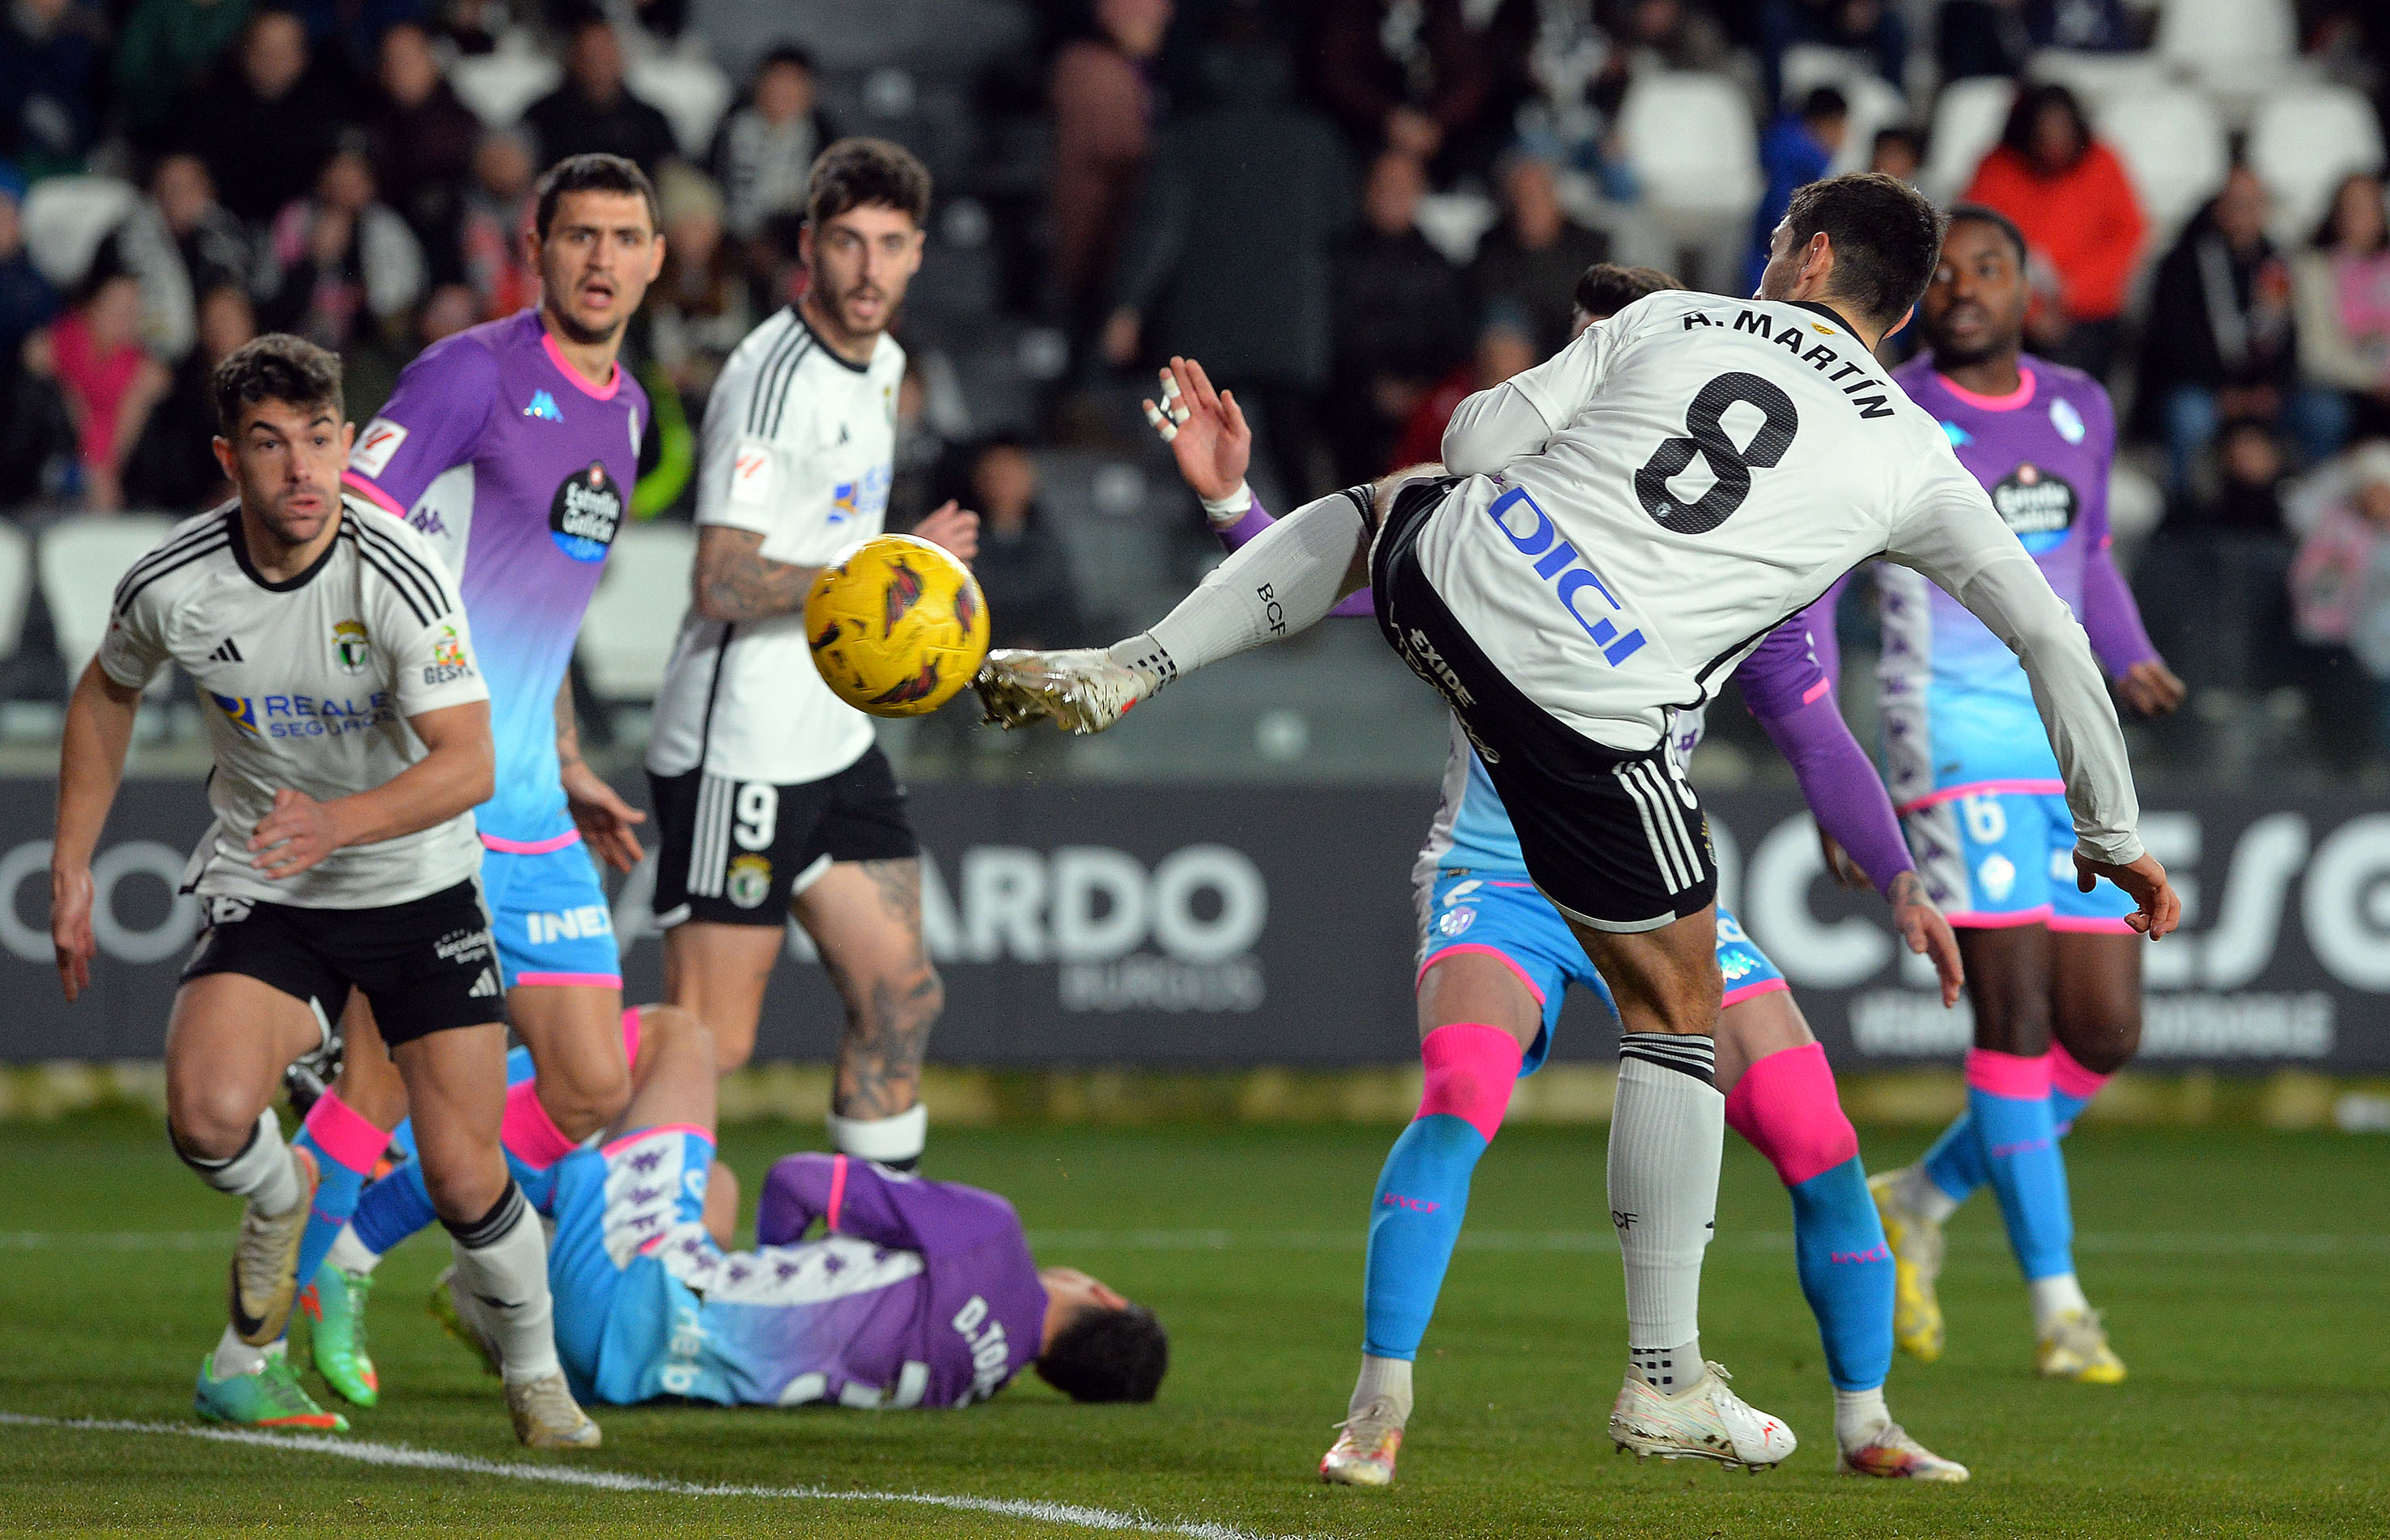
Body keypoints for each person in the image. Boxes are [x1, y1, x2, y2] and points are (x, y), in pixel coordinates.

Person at [978, 172, 2179, 1467]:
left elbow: (1480, 440)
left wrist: (1568, 402)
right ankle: (1657, 1374)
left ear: (1813, 253)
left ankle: (1133, 663)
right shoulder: (1909, 454)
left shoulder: (1670, 321)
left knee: (1390, 502)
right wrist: (2106, 828)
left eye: (1778, 240)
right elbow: (2048, 632)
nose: (1764, 254)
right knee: (1676, 1015)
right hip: (1586, 739)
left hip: (1463, 588)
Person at [1144, 323, 1969, 1483]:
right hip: (1501, 876)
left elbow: (1814, 729)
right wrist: (1237, 507)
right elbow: (1345, 583)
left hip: (1652, 891)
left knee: (1818, 1135)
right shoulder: (1505, 507)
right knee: (1460, 1094)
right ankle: (1376, 1407)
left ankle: (1868, 1421)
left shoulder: (1750, 570)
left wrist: (1896, 878)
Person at [49, 333, 597, 1449]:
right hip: (274, 881)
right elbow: (105, 691)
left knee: (461, 1167)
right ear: (227, 456)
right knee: (205, 1115)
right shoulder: (174, 580)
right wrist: (71, 859)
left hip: (419, 882)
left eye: (319, 438)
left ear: (348, 442)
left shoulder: (397, 567)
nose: (301, 468)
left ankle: (537, 1374)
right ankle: (280, 1193)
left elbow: (471, 761)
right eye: (269, 443)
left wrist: (338, 822)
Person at [318, 153, 663, 1313]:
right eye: (580, 236)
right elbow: (342, 538)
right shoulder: (469, 375)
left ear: (657, 258)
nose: (602, 258)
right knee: (376, 1083)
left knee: (589, 1084)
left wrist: (565, 759)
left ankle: (358, 1247)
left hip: (531, 806)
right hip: (431, 793)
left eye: (624, 237)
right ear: (537, 246)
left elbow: (543, 608)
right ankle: (270, 1320)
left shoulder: (631, 413)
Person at [1844, 206, 2182, 1387]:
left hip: (2065, 736)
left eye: (1992, 269)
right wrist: (1850, 785)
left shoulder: (2078, 403)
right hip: (1955, 738)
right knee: (2019, 1019)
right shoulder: (1888, 410)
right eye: (1950, 274)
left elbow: (2086, 554)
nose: (1968, 288)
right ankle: (2059, 1303)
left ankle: (1921, 1194)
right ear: (1922, 297)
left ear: (2028, 289)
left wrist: (2124, 644)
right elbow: (1814, 574)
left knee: (2105, 1029)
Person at [645, 139, 978, 1171]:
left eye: (889, 244)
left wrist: (893, 564)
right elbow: (722, 578)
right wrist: (881, 569)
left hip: (831, 733)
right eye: (846, 243)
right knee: (710, 1041)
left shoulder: (883, 365)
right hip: (736, 742)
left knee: (901, 995)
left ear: (919, 252)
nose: (868, 268)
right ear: (808, 248)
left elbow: (845, 557)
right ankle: (557, 1213)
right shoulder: (772, 375)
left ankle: (865, 1262)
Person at [356, 1005, 1168, 1410]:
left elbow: (801, 1181)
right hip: (625, 1374)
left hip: (638, 1293)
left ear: (1103, 1294)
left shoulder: (994, 1238)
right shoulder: (970, 1382)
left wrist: (775, 1253)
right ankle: (493, 1295)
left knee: (678, 1040)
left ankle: (397, 1139)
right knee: (714, 1192)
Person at [1961, 84, 2143, 383]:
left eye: (2063, 131)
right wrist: (2032, 312)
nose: (2054, 143)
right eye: (2043, 134)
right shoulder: (1997, 168)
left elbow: (2127, 234)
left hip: (2087, 315)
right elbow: (1978, 246)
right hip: (2010, 315)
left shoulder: (2103, 162)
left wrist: (2071, 291)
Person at [1328, 150, 1471, 484]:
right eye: (1384, 184)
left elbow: (1453, 340)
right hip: (1349, 401)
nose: (1391, 195)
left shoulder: (1438, 265)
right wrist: (1372, 385)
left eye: (1402, 186)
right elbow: (1331, 335)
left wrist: (1419, 390)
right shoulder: (1335, 258)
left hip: (1424, 403)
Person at [23, 260, 172, 511]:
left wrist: (105, 473)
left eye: (134, 309)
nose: (127, 318)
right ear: (90, 306)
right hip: (45, 490)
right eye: (119, 307)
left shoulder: (146, 373)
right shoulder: (47, 351)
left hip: (123, 498)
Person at [1470, 151, 1611, 361]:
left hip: (1571, 330)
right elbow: (1497, 300)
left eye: (1536, 195)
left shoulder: (1590, 244)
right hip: (1522, 338)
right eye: (1521, 196)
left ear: (1553, 197)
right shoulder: (1492, 245)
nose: (1528, 205)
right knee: (1504, 341)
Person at [2290, 173, 2390, 448]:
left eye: (2370, 206)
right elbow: (2315, 355)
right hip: (2340, 386)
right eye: (2352, 207)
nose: (2362, 216)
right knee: (2323, 413)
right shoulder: (2313, 270)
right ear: (2335, 214)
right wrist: (2374, 381)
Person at [522, 17, 681, 180]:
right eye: (589, 56)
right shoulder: (544, 115)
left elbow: (673, 173)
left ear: (620, 58)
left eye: (605, 55)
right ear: (573, 58)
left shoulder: (651, 120)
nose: (597, 65)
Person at [1745, 88, 1849, 296]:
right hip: (1780, 246)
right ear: (1829, 122)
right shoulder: (1808, 154)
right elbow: (1783, 208)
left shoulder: (1780, 135)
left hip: (1762, 245)